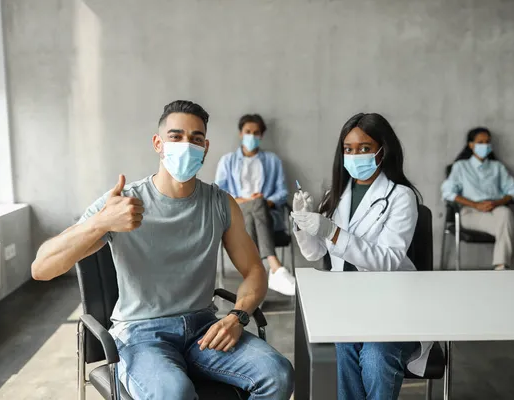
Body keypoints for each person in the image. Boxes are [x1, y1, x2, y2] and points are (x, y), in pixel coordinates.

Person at [31, 101, 294, 400]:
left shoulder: (221, 203)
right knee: (174, 393)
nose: (187, 145)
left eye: (196, 139)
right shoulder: (124, 202)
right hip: (141, 335)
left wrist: (237, 317)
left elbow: (254, 271)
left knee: (278, 374)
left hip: (203, 328)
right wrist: (100, 223)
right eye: (176, 136)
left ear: (205, 147)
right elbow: (41, 268)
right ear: (158, 143)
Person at [290, 113, 432, 400]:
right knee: (346, 345)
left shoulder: (401, 197)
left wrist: (331, 231)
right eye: (348, 149)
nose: (355, 155)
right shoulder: (335, 193)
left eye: (364, 148)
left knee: (376, 357)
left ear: (383, 150)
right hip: (350, 303)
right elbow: (315, 252)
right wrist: (303, 224)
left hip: (393, 303)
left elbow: (388, 260)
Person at [215, 114, 296, 296]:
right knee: (254, 205)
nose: (251, 136)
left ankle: (252, 278)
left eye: (256, 132)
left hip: (266, 215)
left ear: (261, 136)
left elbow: (283, 193)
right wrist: (246, 201)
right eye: (248, 132)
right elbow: (219, 193)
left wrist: (265, 201)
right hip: (237, 213)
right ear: (241, 134)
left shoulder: (273, 161)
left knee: (256, 207)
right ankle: (274, 267)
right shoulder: (227, 161)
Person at [441, 127, 514, 270]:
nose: (485, 145)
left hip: (496, 208)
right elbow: (448, 193)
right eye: (481, 142)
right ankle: (503, 267)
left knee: (505, 213)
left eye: (487, 142)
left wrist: (496, 202)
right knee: (511, 229)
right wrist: (475, 205)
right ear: (471, 145)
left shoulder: (497, 167)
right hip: (471, 212)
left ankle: (501, 266)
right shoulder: (461, 166)